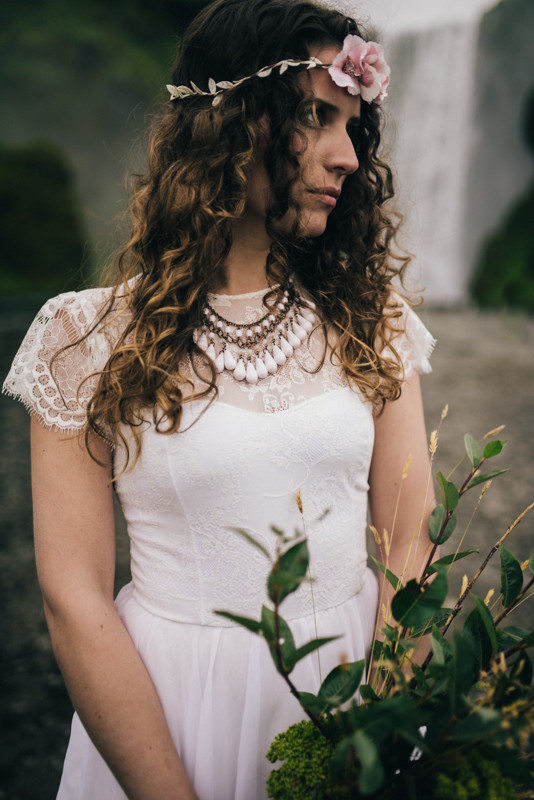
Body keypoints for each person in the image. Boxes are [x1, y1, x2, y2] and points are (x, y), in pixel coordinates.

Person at [3, 1, 436, 798]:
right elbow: (74, 600)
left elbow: (408, 539)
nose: (346, 155)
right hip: (171, 713)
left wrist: (377, 738)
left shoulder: (371, 318)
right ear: (232, 124)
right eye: (317, 116)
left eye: (353, 125)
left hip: (355, 695)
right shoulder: (84, 340)